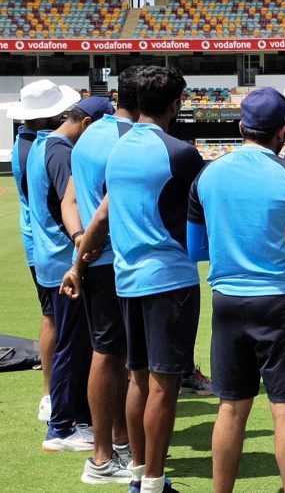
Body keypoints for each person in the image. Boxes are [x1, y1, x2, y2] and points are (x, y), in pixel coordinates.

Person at [187, 87, 285, 493]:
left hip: (228, 302)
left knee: (231, 408)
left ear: (241, 127)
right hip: (281, 302)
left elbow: (196, 248)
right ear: (283, 131)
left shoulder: (207, 175)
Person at [80, 65, 202, 493]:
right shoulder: (179, 153)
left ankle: (137, 474)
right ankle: (153, 481)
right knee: (164, 387)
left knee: (139, 378)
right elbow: (205, 211)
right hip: (170, 278)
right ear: (175, 104)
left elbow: (103, 214)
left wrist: (79, 263)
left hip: (127, 277)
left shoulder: (119, 149)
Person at [59, 92, 137, 484]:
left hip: (95, 257)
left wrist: (79, 240)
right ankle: (102, 459)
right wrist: (87, 248)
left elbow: (70, 199)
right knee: (109, 355)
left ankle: (118, 445)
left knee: (112, 354)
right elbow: (109, 208)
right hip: (112, 260)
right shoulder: (127, 139)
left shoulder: (87, 136)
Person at [18, 81, 92, 451]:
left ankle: (71, 416)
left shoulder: (33, 144)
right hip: (63, 257)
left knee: (69, 339)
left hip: (47, 254)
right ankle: (62, 426)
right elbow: (67, 206)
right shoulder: (57, 149)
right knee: (72, 343)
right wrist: (83, 246)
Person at [3, 80, 76, 425]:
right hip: (51, 243)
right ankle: (56, 396)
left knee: (51, 319)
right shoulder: (43, 147)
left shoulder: (24, 141)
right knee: (60, 322)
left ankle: (52, 394)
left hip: (38, 241)